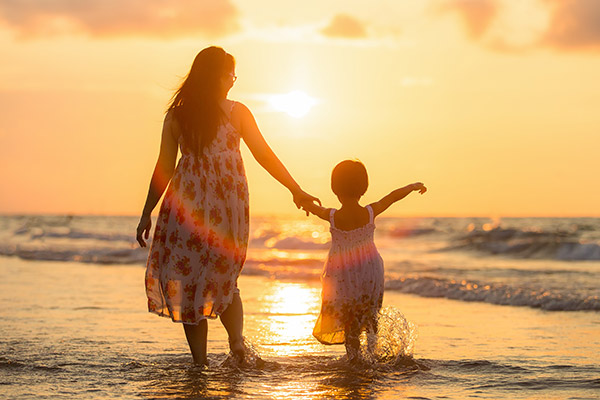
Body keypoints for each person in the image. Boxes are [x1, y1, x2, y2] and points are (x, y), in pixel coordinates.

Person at [135, 46, 319, 366]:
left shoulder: (178, 114)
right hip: (226, 207)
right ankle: (237, 347)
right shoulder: (236, 112)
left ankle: (200, 363)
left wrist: (147, 211)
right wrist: (295, 189)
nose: (233, 81)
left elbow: (164, 167)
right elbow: (264, 154)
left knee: (190, 281)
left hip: (186, 208)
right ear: (218, 76)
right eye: (231, 74)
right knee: (224, 277)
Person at [300, 160, 426, 360]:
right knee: (371, 314)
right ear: (363, 188)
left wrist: (301, 201)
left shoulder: (332, 215)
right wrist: (412, 187)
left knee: (350, 320)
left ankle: (355, 359)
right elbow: (392, 197)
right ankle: (373, 355)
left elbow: (313, 208)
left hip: (343, 274)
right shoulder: (370, 212)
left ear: (335, 189)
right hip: (370, 270)